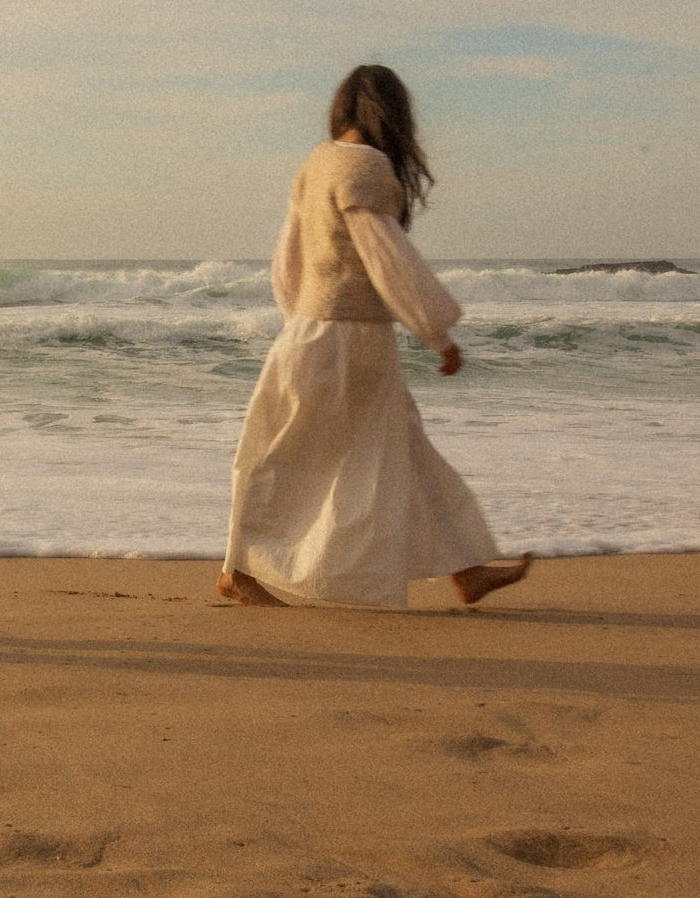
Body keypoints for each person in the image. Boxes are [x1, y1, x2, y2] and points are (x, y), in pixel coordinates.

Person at [218, 64, 532, 609]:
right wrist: (437, 334)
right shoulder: (364, 166)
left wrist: (298, 314)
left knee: (391, 448)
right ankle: (237, 570)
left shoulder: (317, 163)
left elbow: (288, 256)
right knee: (289, 453)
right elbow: (389, 260)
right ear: (392, 113)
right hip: (346, 341)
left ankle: (467, 570)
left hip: (317, 334)